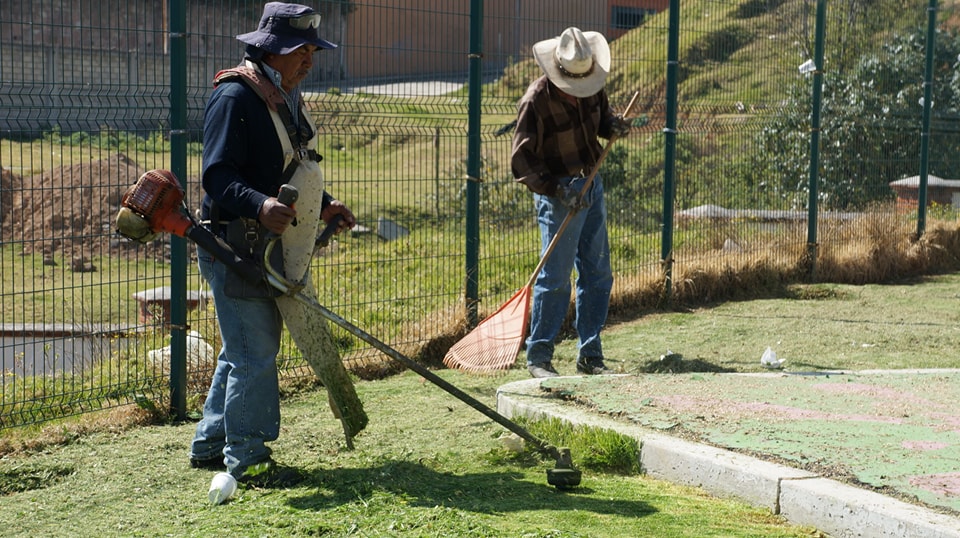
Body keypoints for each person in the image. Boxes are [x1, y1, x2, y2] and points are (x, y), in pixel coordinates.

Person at [188, 2, 355, 486]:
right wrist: (260, 206)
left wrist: (323, 203)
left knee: (243, 347)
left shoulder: (284, 96)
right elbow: (217, 176)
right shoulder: (235, 98)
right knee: (254, 354)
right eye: (300, 51)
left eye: (312, 51)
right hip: (235, 244)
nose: (309, 60)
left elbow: (286, 165)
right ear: (270, 51)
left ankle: (210, 442)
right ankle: (250, 458)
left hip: (265, 245)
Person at [511, 27, 631, 379]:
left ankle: (590, 356)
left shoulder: (591, 84)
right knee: (556, 277)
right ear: (557, 69)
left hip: (592, 184)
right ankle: (539, 357)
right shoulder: (535, 100)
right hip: (559, 194)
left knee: (598, 273)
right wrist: (557, 191)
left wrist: (615, 127)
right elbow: (521, 160)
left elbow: (602, 122)